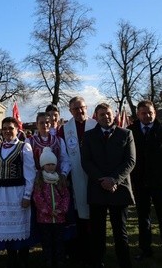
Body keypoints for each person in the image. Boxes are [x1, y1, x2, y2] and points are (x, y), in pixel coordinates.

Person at [128, 100, 162, 266]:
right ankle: (145, 250)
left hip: (161, 183)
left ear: (155, 112)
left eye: (150, 112)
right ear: (138, 114)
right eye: (143, 113)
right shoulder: (130, 131)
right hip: (139, 183)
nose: (147, 116)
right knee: (143, 219)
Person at [81, 103, 135, 268]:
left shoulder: (126, 133)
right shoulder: (88, 136)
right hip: (97, 189)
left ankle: (124, 262)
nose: (106, 117)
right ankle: (97, 261)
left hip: (119, 189)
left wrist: (114, 180)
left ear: (114, 115)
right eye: (102, 114)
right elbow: (86, 162)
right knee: (97, 231)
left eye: (108, 113)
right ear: (96, 116)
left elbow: (130, 161)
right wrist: (102, 180)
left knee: (120, 231)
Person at [0, 117, 36, 268]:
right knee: (5, 227)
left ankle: (24, 257)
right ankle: (11, 257)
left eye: (10, 128)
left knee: (20, 225)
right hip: (0, 192)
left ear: (17, 130)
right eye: (4, 128)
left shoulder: (23, 147)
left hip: (17, 192)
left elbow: (30, 173)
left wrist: (27, 194)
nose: (7, 131)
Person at [59, 96, 97, 265]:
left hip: (96, 175)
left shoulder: (95, 125)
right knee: (80, 214)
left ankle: (96, 249)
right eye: (75, 109)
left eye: (81, 107)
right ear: (70, 111)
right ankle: (83, 249)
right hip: (76, 176)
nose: (79, 111)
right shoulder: (65, 129)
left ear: (86, 107)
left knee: (96, 213)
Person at [32, 147, 70, 268]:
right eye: (48, 164)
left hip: (59, 218)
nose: (50, 167)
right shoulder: (40, 180)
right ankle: (48, 260)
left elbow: (66, 196)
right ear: (43, 165)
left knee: (59, 241)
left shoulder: (60, 180)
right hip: (44, 219)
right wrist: (48, 211)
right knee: (47, 241)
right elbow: (38, 198)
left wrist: (61, 210)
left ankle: (60, 260)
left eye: (53, 164)